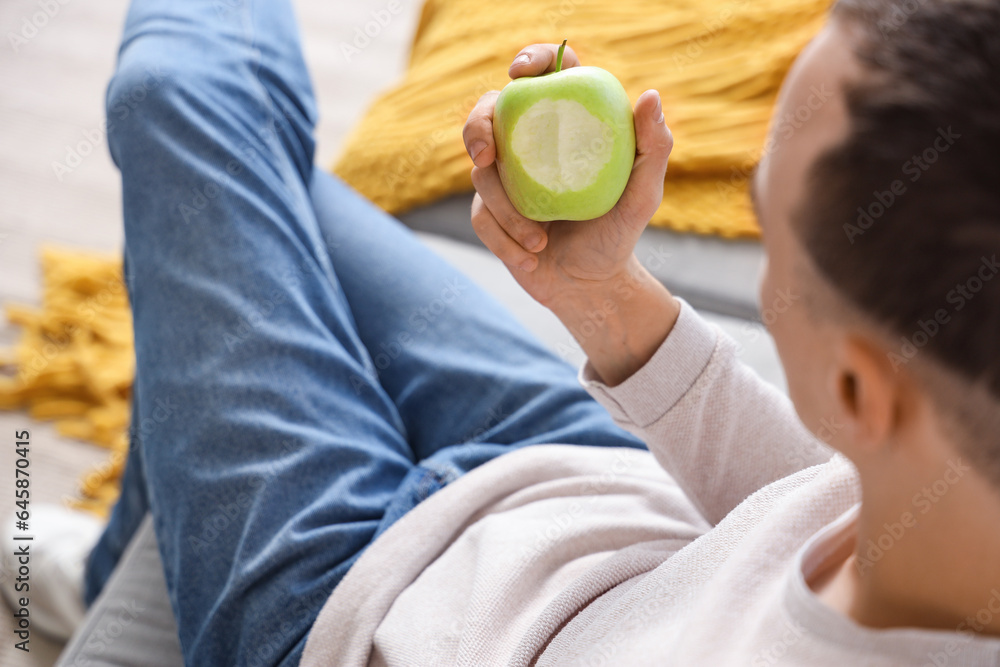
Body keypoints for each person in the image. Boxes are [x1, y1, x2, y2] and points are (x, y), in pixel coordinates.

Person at [5, 0, 1000, 664]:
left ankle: (143, 561)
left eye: (765, 222)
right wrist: (602, 291)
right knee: (236, 185)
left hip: (354, 595)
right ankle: (107, 571)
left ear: (864, 392)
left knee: (183, 98)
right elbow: (813, 492)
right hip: (592, 484)